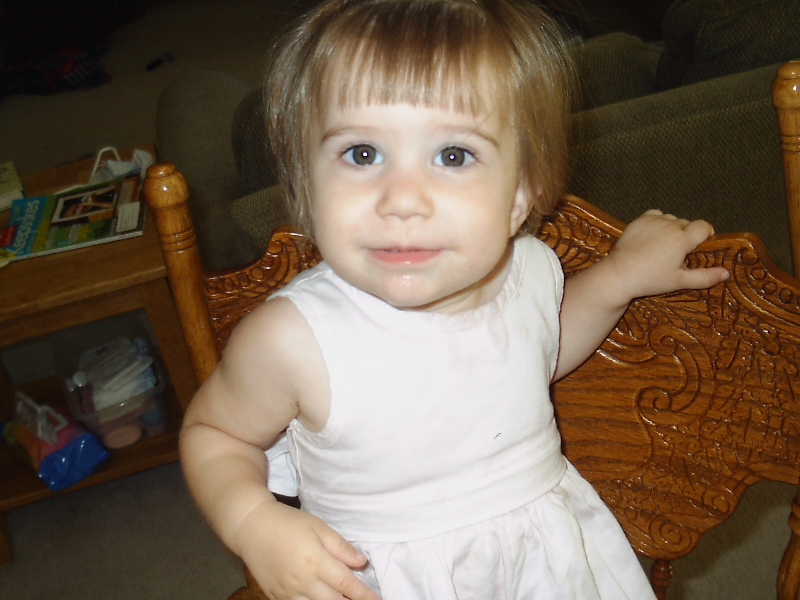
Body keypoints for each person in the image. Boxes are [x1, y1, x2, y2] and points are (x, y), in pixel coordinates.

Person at [179, 0, 730, 598]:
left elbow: (539, 346)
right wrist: (253, 523)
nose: (402, 199)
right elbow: (216, 434)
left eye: (453, 155)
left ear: (519, 196)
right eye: (362, 154)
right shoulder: (293, 339)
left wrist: (619, 276)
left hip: (545, 572)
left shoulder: (531, 269)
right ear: (307, 185)